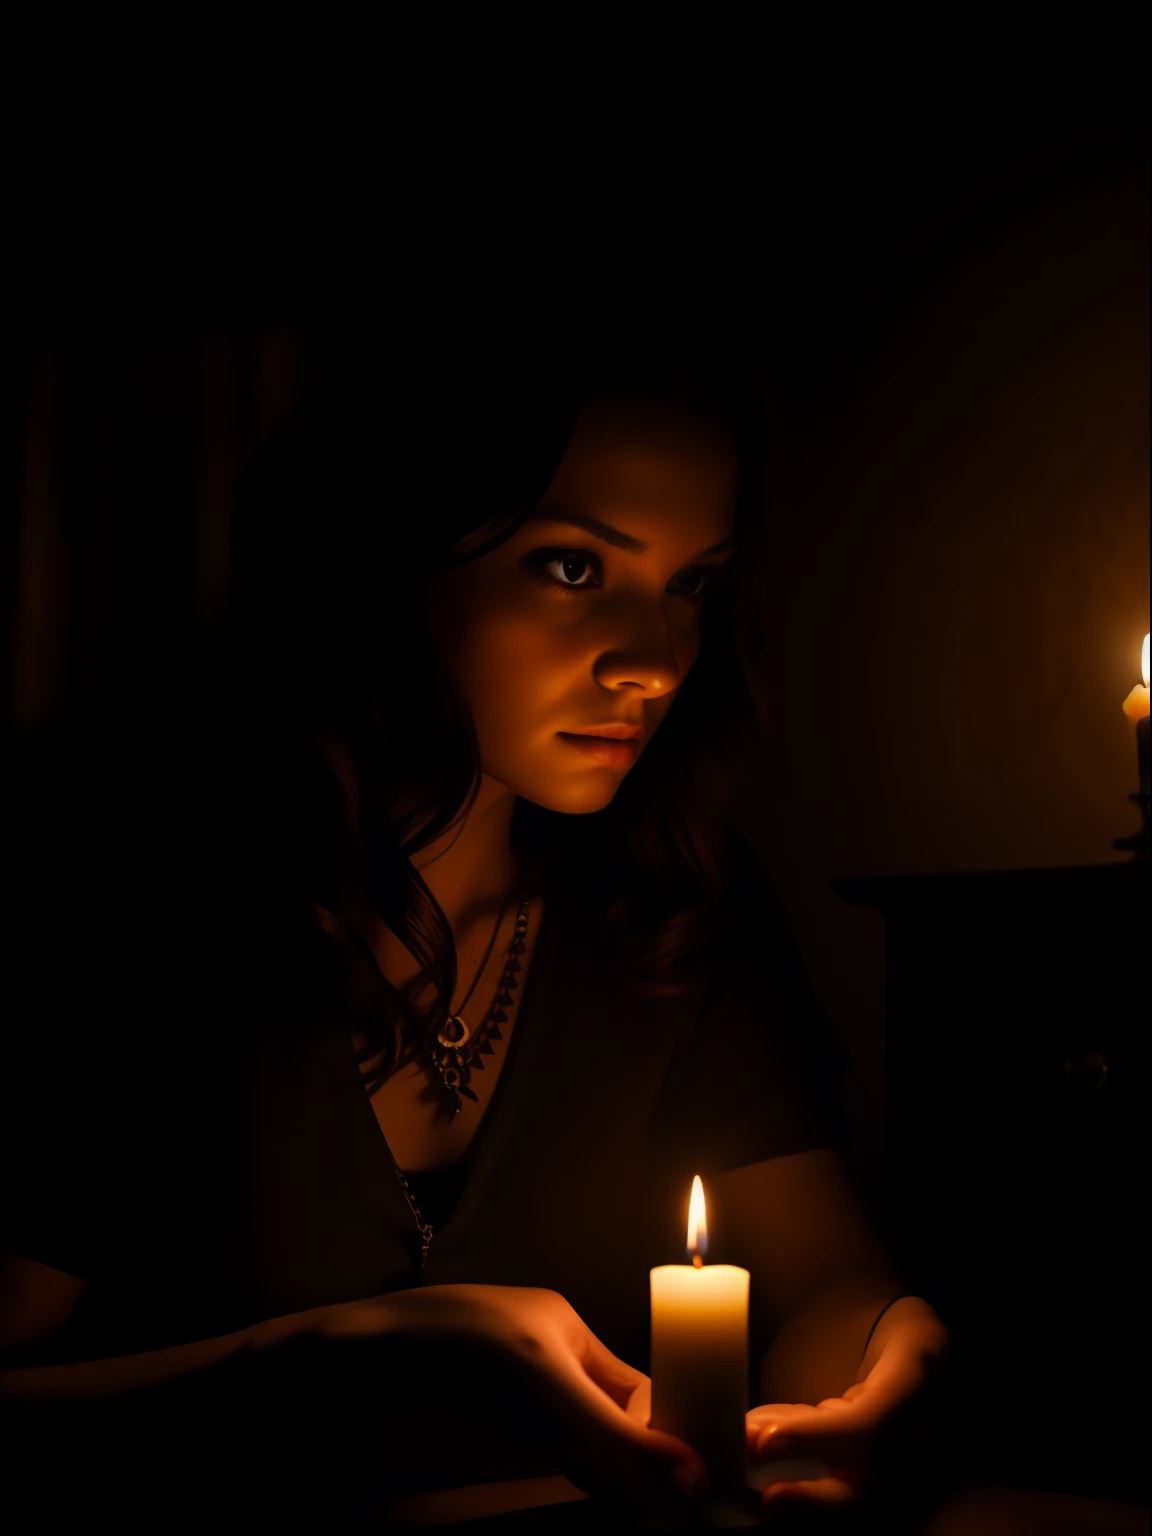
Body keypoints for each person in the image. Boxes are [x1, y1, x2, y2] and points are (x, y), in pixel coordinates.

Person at [4, 328, 1104, 1533]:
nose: (657, 662)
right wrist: (358, 1350)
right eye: (574, 568)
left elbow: (820, 1286)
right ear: (384, 552)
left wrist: (891, 1351)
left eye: (692, 583)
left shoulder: (671, 904)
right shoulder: (122, 901)